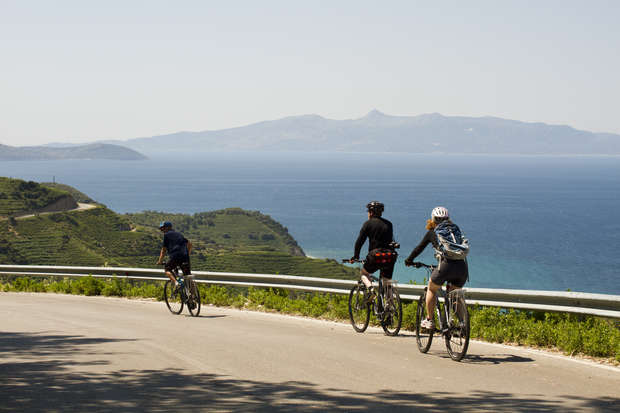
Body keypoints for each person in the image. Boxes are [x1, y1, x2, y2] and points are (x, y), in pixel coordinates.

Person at [404, 206, 469, 330]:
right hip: (462, 267)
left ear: (433, 219)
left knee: (432, 288)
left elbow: (419, 248)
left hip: (445, 266)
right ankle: (462, 324)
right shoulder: (456, 230)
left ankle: (429, 320)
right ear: (448, 218)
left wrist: (409, 260)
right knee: (454, 294)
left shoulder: (432, 232)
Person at [349, 201, 397, 302]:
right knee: (387, 282)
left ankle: (371, 290)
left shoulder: (367, 224)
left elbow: (359, 242)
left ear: (370, 212)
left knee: (364, 273)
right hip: (389, 256)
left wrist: (356, 256)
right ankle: (389, 308)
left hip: (375, 256)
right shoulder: (389, 224)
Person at [156, 221, 193, 287]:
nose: (162, 230)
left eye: (163, 228)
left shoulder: (166, 235)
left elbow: (163, 250)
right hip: (185, 257)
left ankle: (176, 282)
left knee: (167, 269)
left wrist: (160, 261)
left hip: (175, 256)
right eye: (161, 229)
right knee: (188, 276)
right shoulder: (179, 234)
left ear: (167, 228)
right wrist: (187, 254)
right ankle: (194, 294)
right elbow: (190, 244)